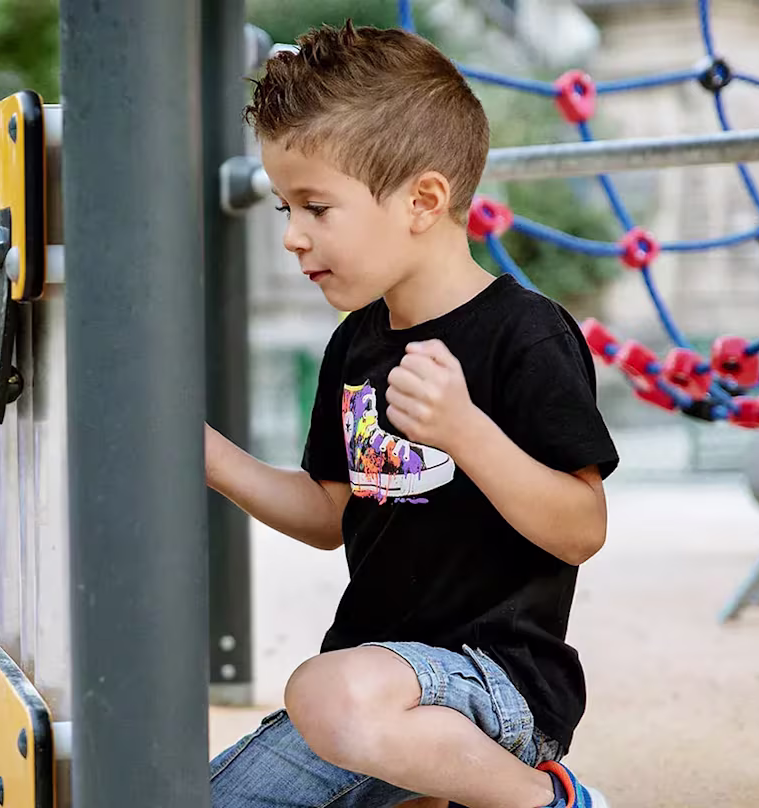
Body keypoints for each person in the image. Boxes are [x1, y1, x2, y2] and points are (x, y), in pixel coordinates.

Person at [204, 23, 618, 808]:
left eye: (316, 207)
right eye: (287, 208)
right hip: (373, 694)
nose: (293, 237)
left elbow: (582, 527)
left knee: (324, 692)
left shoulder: (523, 333)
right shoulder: (356, 340)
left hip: (500, 684)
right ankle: (424, 790)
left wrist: (465, 430)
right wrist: (209, 458)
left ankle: (548, 801)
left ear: (424, 200)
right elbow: (330, 511)